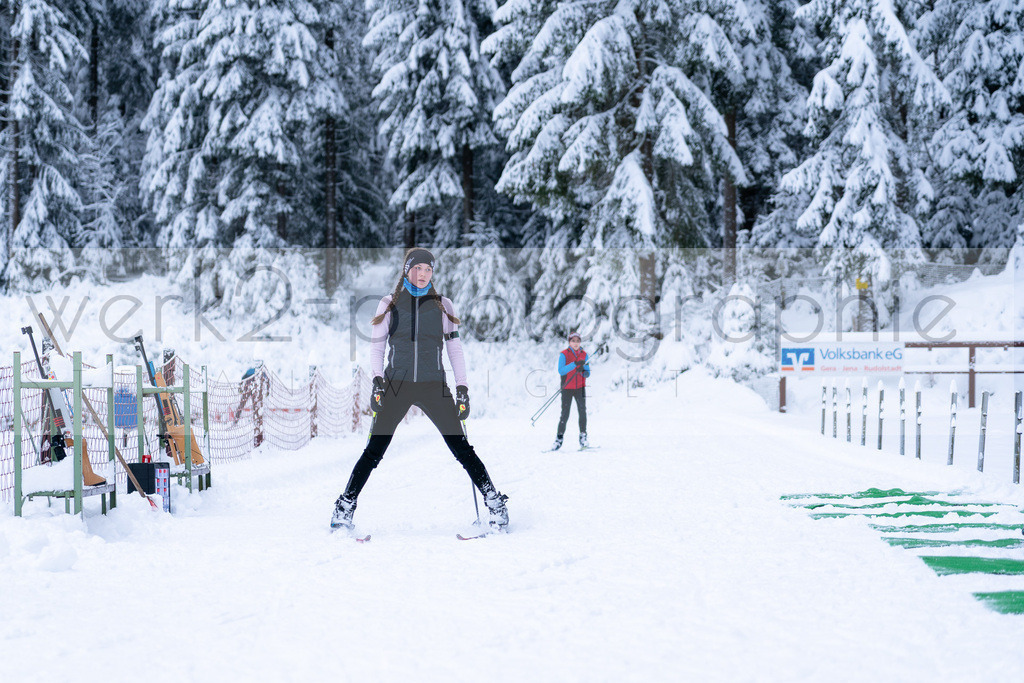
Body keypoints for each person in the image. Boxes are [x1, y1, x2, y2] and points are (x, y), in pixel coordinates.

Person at [330, 248, 509, 532]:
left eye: (428, 269)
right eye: (418, 268)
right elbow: (376, 347)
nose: (423, 274)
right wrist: (378, 382)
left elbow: (455, 349)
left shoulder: (443, 306)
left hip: (432, 385)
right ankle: (345, 506)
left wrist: (462, 388)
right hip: (395, 385)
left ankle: (495, 504)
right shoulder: (389, 304)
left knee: (461, 448)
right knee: (374, 450)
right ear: (407, 270)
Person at [551, 332, 590, 450]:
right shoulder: (564, 354)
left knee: (582, 412)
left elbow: (587, 373)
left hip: (580, 388)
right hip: (567, 388)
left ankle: (583, 437)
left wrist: (583, 370)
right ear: (569, 342)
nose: (576, 343)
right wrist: (574, 364)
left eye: (578, 341)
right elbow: (561, 371)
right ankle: (559, 439)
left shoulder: (584, 355)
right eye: (573, 341)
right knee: (565, 414)